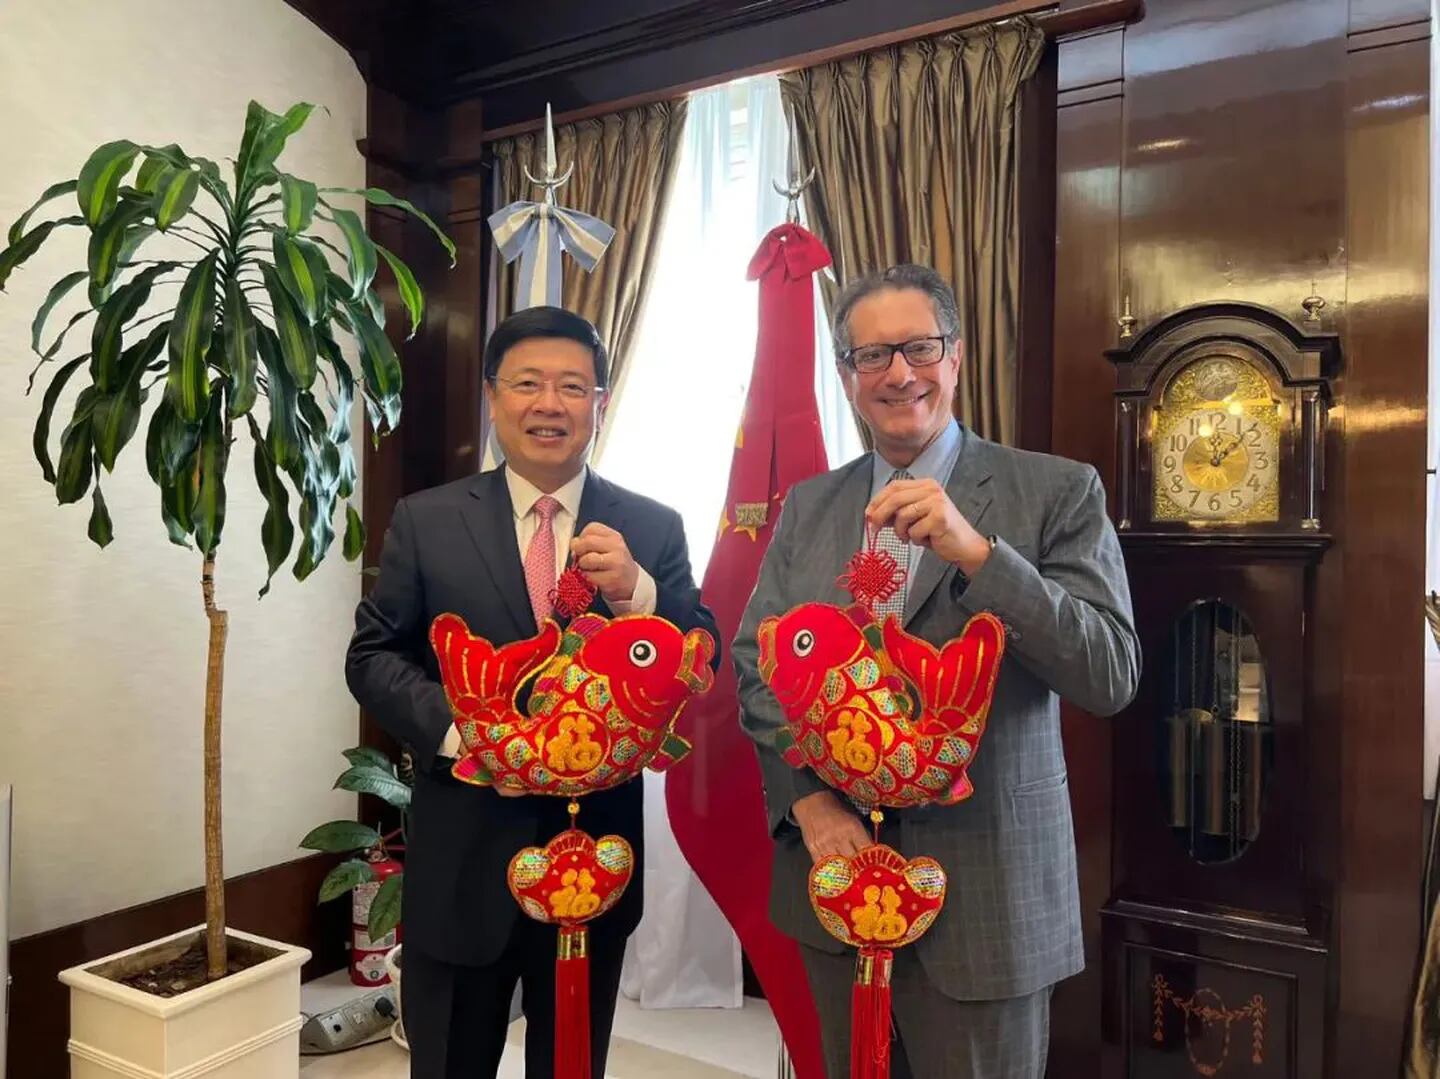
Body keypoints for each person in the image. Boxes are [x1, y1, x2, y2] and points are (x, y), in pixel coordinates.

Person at [734, 264, 1140, 1078]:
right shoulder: (811, 505)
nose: (898, 373)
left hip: (987, 899)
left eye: (918, 346)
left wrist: (982, 556)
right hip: (836, 884)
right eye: (871, 355)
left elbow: (1109, 672)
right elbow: (756, 664)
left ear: (955, 356)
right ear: (848, 377)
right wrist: (809, 800)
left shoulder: (1057, 491)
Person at [346, 305, 718, 1078]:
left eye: (572, 386)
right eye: (527, 383)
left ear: (599, 404)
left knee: (573, 1065)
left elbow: (701, 654)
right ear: (493, 397)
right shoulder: (428, 519)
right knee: (451, 1061)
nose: (549, 403)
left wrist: (642, 596)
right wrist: (468, 733)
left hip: (594, 862)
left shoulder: (652, 526)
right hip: (463, 858)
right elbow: (374, 656)